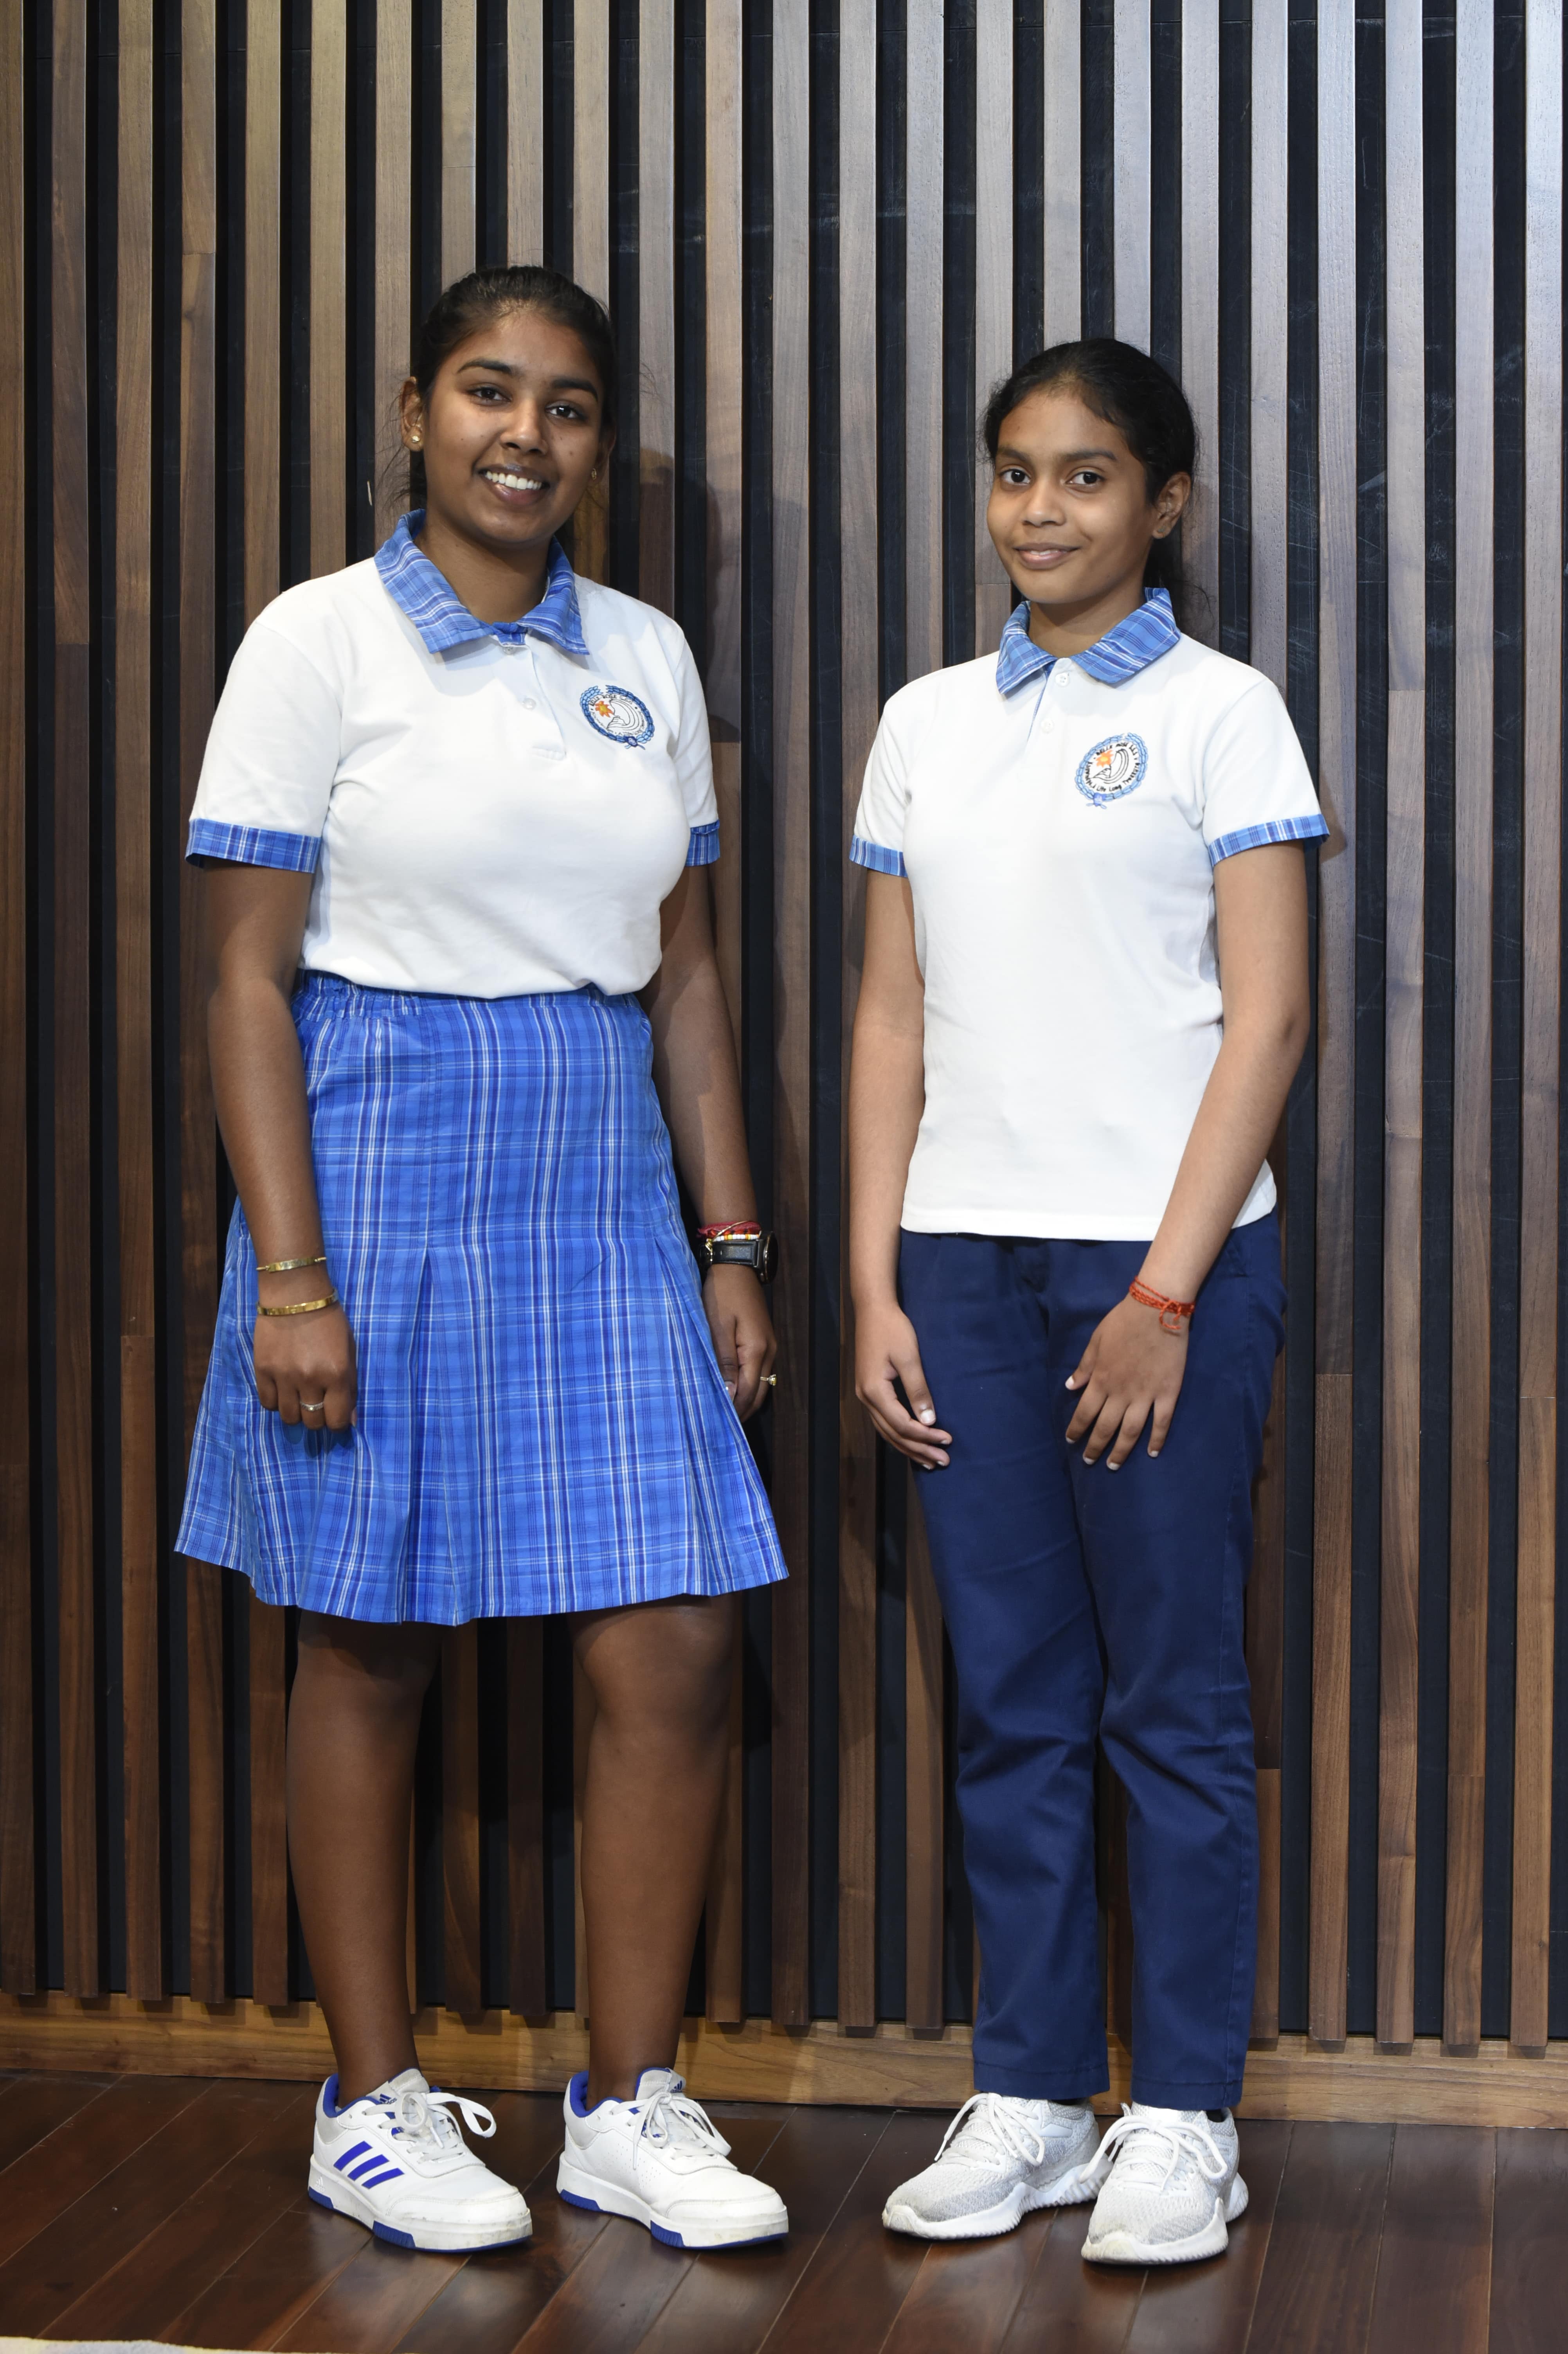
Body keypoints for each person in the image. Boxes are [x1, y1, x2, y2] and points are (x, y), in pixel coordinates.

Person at [178, 265, 790, 2256]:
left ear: (598, 442)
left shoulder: (646, 656)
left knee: (675, 1631)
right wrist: (291, 1276)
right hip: (375, 1144)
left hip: (599, 1157)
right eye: (487, 391)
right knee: (368, 1636)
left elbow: (685, 978)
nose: (526, 435)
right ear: (418, 413)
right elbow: (245, 981)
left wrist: (731, 1240)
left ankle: (624, 2103)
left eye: (568, 404)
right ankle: (368, 2104)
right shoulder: (316, 639)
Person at [848, 339, 1324, 2267]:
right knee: (1012, 1700)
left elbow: (1267, 1018)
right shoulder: (923, 721)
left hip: (1161, 1273)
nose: (1038, 509)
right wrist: (872, 1277)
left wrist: (1162, 1292)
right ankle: (1036, 2095)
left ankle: (1182, 2115)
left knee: (1171, 1704)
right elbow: (890, 1016)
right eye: (1013, 471)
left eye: (1084, 474)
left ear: (1162, 503)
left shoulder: (1223, 713)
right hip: (957, 1265)